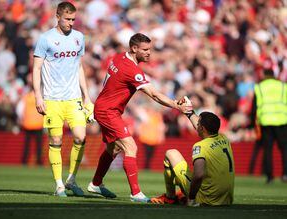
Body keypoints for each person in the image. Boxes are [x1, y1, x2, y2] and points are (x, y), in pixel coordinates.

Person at [87, 33, 190, 203]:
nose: (149, 52)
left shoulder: (119, 57)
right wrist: (175, 105)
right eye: (145, 49)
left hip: (106, 107)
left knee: (113, 149)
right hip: (108, 111)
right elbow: (154, 95)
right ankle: (136, 193)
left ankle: (96, 183)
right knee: (130, 147)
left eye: (150, 49)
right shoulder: (132, 70)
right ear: (134, 49)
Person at [33, 1, 94, 197]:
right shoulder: (45, 39)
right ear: (57, 16)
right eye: (67, 19)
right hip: (52, 99)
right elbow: (36, 68)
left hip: (73, 97)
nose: (71, 23)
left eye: (73, 19)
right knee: (56, 140)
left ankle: (71, 179)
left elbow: (79, 67)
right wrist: (38, 96)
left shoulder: (78, 38)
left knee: (80, 137)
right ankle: (59, 184)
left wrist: (87, 96)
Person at [151, 101, 235, 206]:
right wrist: (189, 112)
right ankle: (180, 195)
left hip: (205, 199)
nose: (196, 125)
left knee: (171, 153)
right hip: (226, 199)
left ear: (202, 128)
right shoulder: (225, 139)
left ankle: (170, 197)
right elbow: (202, 127)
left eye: (198, 124)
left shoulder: (200, 146)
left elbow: (199, 175)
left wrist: (191, 198)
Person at [251, 61, 287, 183]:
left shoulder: (259, 87)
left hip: (265, 121)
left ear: (264, 75)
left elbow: (254, 108)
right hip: (282, 121)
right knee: (284, 149)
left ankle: (269, 176)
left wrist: (253, 124)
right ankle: (285, 174)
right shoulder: (283, 86)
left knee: (268, 150)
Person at [17, 74, 44, 166]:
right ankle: (39, 162)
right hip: (37, 124)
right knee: (38, 146)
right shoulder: (41, 97)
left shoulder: (26, 96)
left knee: (27, 145)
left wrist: (21, 119)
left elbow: (19, 109)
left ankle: (24, 161)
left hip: (28, 123)